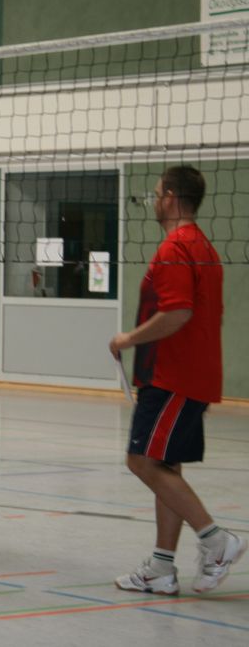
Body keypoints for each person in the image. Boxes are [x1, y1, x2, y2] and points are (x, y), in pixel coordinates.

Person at [110, 166, 245, 595]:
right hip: (191, 376)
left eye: (156, 193)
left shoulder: (175, 247)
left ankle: (216, 540)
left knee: (141, 461)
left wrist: (127, 339)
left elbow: (178, 313)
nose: (154, 200)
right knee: (165, 466)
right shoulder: (203, 246)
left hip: (172, 376)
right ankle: (161, 568)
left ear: (169, 196)